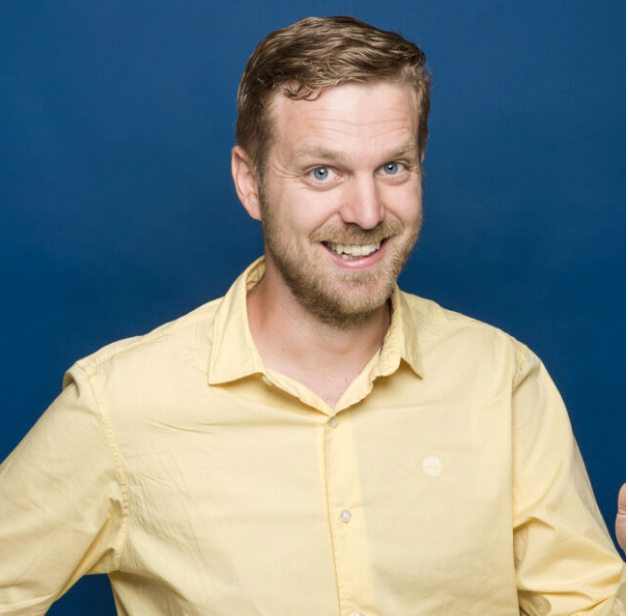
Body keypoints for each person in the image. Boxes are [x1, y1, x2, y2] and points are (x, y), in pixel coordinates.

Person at [0, 15, 625, 616]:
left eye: (393, 167)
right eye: (322, 171)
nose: (366, 210)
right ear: (251, 183)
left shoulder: (504, 381)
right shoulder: (119, 405)